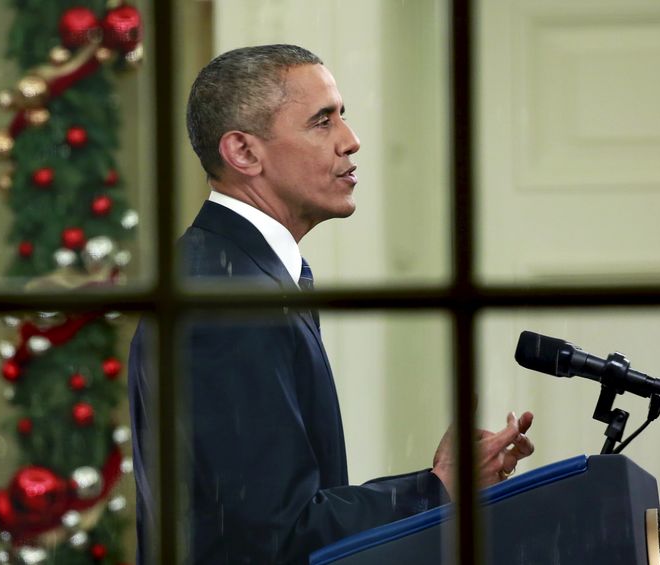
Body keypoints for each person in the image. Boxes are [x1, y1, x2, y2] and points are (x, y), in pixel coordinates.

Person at [127, 44, 534, 565]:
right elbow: (276, 536)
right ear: (244, 153)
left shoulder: (244, 274)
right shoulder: (227, 298)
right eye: (323, 122)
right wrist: (434, 490)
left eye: (343, 115)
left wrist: (438, 485)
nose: (351, 140)